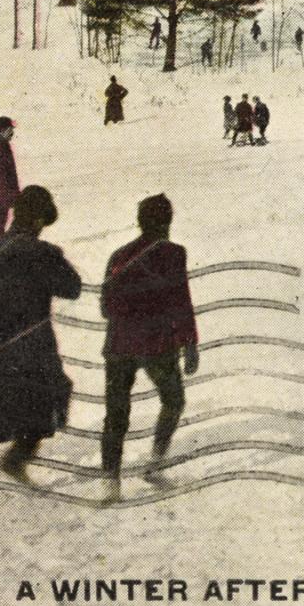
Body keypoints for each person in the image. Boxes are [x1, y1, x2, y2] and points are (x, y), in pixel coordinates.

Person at [0, 185, 80, 501]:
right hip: (30, 348)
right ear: (40, 220)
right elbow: (72, 288)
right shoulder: (43, 254)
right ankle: (16, 459)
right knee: (52, 396)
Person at [98, 194, 198, 503]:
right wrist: (190, 343)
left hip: (119, 344)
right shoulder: (174, 254)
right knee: (173, 400)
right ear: (167, 222)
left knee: (116, 414)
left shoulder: (119, 255)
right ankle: (154, 463)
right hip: (157, 345)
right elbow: (181, 301)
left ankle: (111, 484)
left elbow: (105, 307)